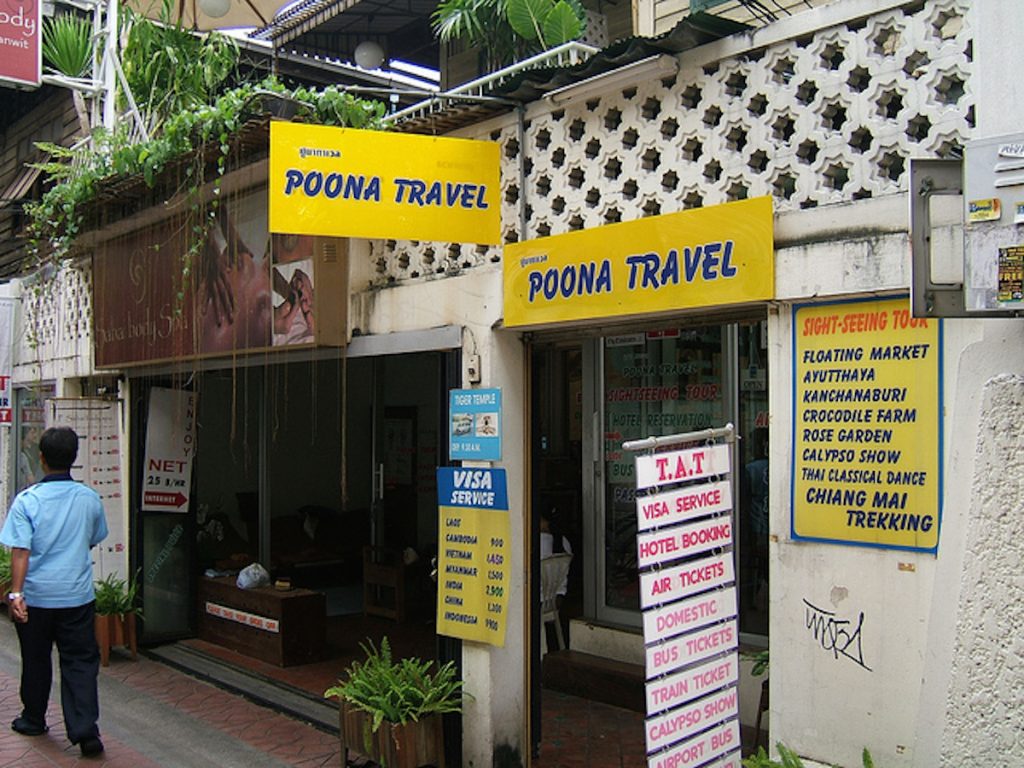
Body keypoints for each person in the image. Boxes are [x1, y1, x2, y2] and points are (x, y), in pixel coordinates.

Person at [0, 427, 109, 757]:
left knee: (35, 658)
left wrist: (16, 594)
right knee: (80, 662)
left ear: (41, 458)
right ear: (73, 458)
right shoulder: (89, 499)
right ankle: (85, 730)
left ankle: (34, 719)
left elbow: (21, 551)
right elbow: (93, 537)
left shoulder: (28, 500)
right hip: (77, 596)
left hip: (36, 597)